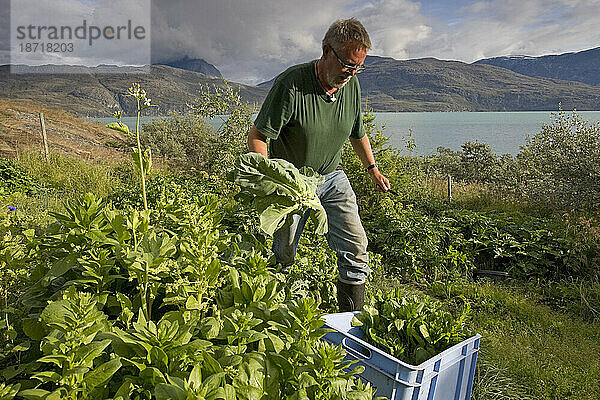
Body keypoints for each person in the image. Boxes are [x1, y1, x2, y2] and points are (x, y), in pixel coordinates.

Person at [247, 18, 391, 312]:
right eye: (347, 65)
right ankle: (272, 315)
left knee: (356, 247)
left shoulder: (351, 87)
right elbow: (258, 136)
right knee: (282, 253)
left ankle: (350, 322)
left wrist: (373, 169)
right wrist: (270, 178)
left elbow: (357, 132)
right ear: (327, 51)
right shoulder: (292, 84)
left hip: (332, 177)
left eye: (358, 67)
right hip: (292, 183)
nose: (351, 74)